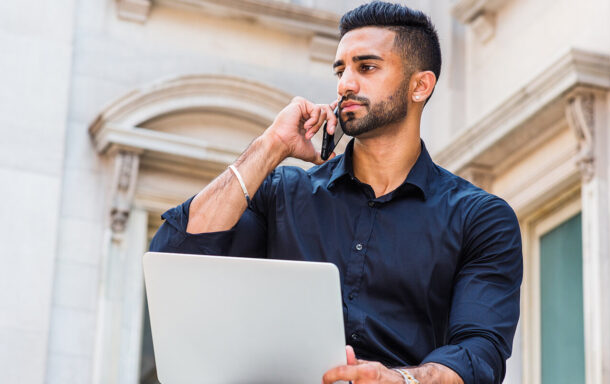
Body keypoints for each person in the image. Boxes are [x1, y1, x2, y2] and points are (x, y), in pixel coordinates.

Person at [149, 2, 522, 383]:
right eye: (340, 70)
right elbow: (175, 255)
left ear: (419, 85)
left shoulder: (480, 218)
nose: (345, 84)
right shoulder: (283, 194)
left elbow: (479, 354)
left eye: (367, 67)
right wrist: (269, 146)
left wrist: (398, 379)